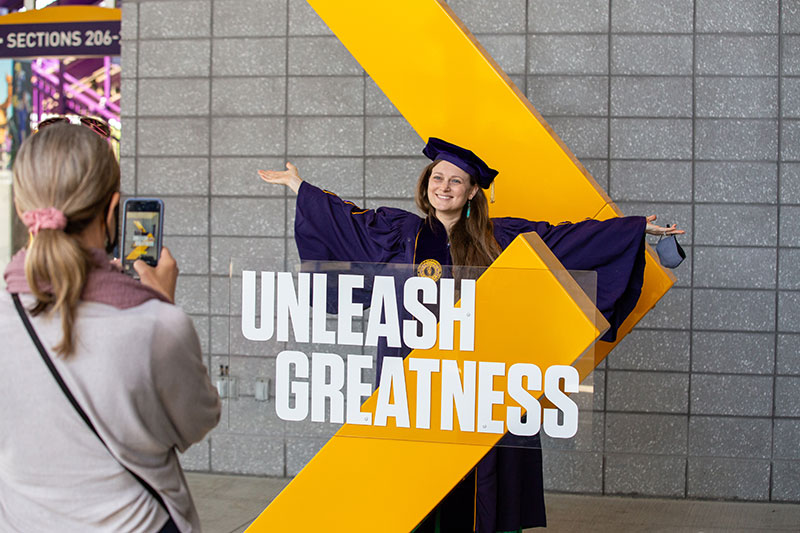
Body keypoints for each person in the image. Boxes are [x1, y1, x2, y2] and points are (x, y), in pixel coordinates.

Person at [258, 137, 683, 533]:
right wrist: (300, 187)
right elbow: (345, 222)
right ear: (426, 185)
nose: (445, 187)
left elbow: (564, 238)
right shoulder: (397, 232)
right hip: (413, 384)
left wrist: (633, 231)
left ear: (472, 191)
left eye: (456, 180)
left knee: (480, 482)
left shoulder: (498, 237)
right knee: (412, 484)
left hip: (478, 386)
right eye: (438, 178)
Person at [1, 121, 220, 532]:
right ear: (112, 209)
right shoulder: (154, 325)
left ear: (21, 209)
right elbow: (198, 421)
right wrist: (162, 304)